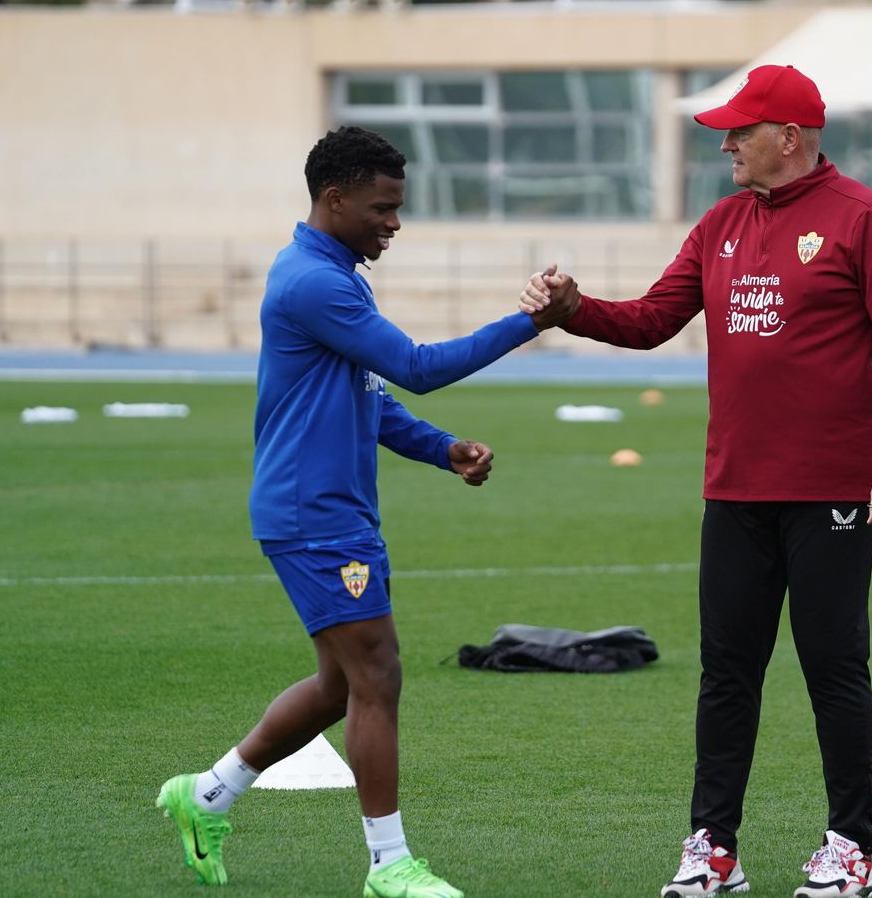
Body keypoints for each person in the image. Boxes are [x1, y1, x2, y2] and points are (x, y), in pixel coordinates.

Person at [519, 64, 872, 898]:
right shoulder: (720, 224)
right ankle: (713, 848)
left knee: (834, 666)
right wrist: (573, 308)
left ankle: (852, 849)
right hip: (735, 490)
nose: (728, 144)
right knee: (727, 671)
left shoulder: (867, 220)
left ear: (791, 136)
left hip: (835, 492)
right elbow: (650, 319)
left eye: (741, 130)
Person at [154, 125, 573, 898]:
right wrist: (530, 323)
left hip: (324, 509)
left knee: (341, 684)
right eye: (382, 207)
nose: (395, 222)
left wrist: (440, 450)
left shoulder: (331, 272)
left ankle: (207, 793)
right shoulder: (316, 282)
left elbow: (366, 396)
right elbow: (414, 367)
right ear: (334, 198)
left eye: (398, 207)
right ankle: (390, 865)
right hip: (316, 516)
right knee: (378, 673)